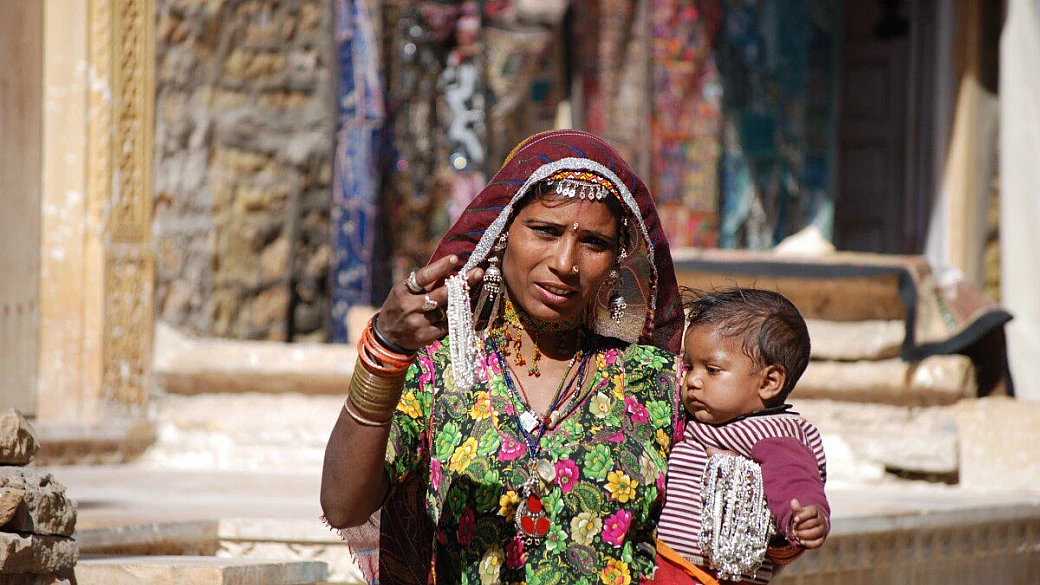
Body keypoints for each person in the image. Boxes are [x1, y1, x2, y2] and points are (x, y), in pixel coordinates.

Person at [320, 130, 687, 585]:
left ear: (617, 260)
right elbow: (343, 505)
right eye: (546, 232)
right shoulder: (440, 372)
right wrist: (385, 353)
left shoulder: (656, 383)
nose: (565, 263)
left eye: (593, 243)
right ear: (502, 233)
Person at [653, 288, 830, 585]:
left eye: (712, 369)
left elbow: (794, 478)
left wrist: (806, 515)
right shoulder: (691, 418)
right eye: (689, 366)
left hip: (709, 576)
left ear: (769, 382)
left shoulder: (774, 433)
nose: (692, 380)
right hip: (664, 564)